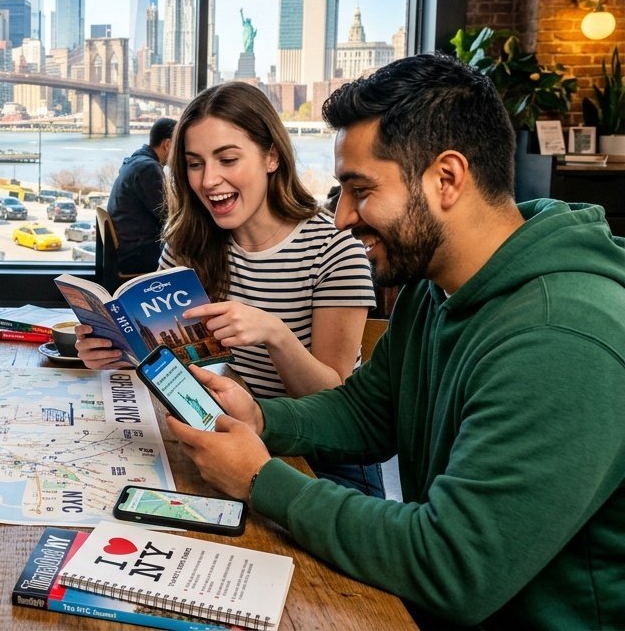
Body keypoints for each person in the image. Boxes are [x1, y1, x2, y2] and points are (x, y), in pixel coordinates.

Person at [171, 54, 625, 627]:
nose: (340, 218)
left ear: (446, 179)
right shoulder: (434, 289)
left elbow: (452, 566)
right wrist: (261, 420)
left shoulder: (562, 337)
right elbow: (368, 413)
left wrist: (260, 479)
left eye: (359, 190)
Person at [81, 82, 380, 495]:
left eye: (227, 159)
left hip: (323, 466)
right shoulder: (188, 242)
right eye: (195, 163)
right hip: (224, 437)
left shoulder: (334, 250)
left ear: (271, 156)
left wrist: (275, 334)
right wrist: (119, 352)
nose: (208, 180)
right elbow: (174, 364)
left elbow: (338, 406)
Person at [106, 116, 176, 274]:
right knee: (191, 257)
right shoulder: (148, 168)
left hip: (127, 249)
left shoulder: (135, 162)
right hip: (137, 254)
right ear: (168, 144)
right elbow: (168, 215)